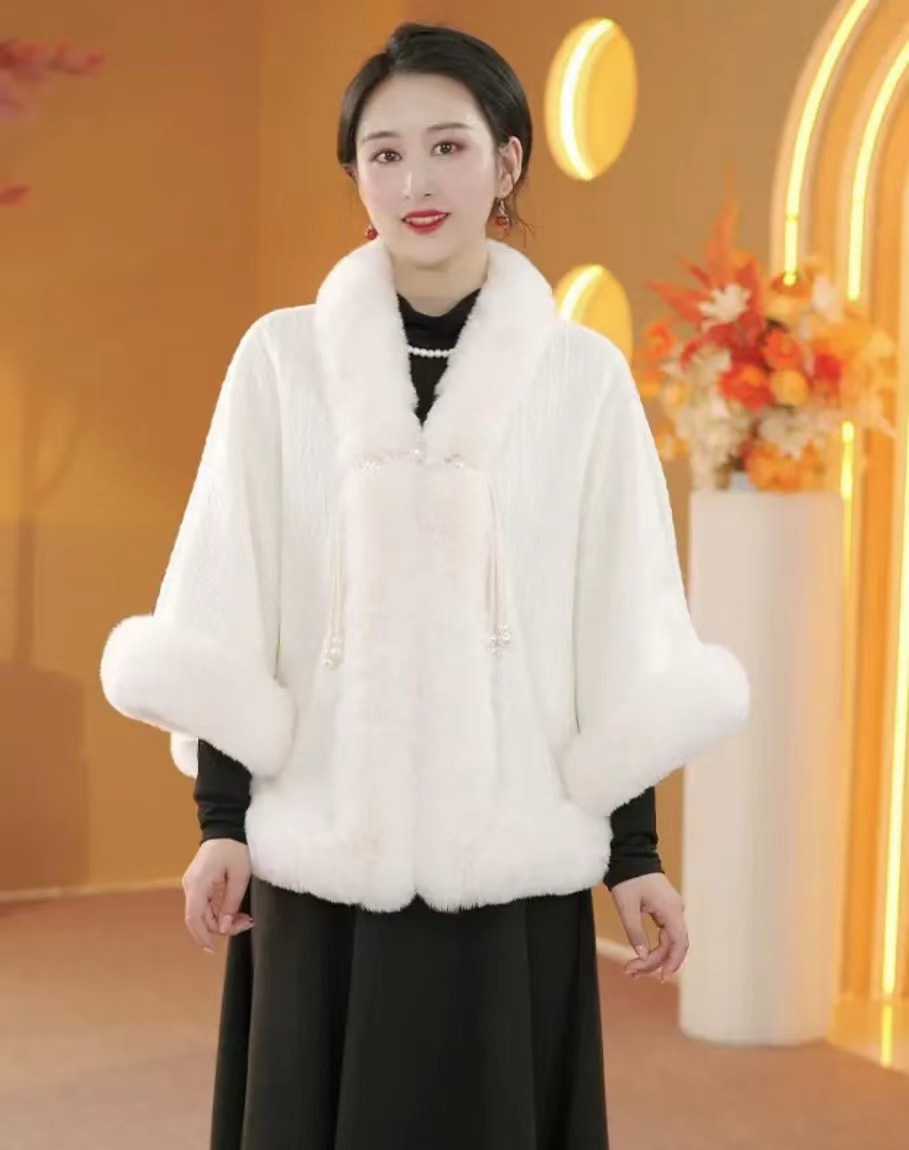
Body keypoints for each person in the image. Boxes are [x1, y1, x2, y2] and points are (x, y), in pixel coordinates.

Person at [100, 21, 750, 1150]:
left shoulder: (583, 380)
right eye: (385, 153)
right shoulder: (280, 362)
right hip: (320, 847)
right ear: (355, 175)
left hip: (508, 862)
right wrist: (222, 822)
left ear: (506, 162)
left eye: (448, 146)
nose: (416, 181)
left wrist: (634, 855)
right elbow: (227, 597)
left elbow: (622, 620)